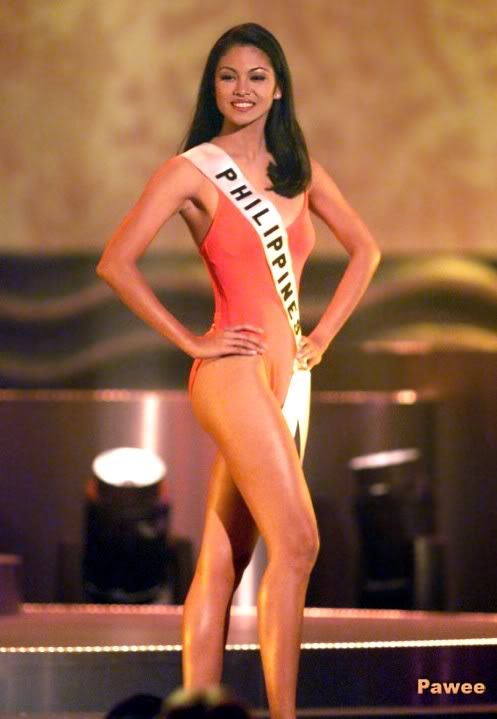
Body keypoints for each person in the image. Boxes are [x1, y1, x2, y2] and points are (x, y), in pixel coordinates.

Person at [97, 22, 380, 719]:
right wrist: (190, 341)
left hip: (288, 383)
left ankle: (196, 706)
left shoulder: (297, 170)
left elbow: (366, 250)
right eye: (228, 76)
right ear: (213, 87)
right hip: (233, 374)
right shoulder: (192, 170)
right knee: (299, 542)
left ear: (279, 87)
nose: (242, 89)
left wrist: (322, 334)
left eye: (257, 76)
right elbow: (116, 262)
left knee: (224, 560)